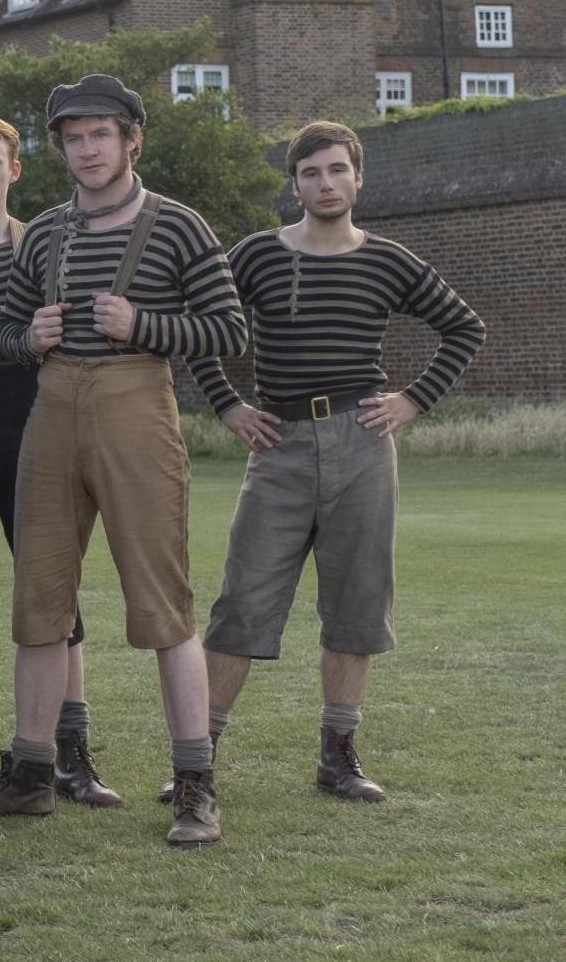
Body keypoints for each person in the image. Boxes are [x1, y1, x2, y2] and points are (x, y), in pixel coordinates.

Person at [0, 74, 247, 848]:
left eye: (100, 135)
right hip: (51, 407)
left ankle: (194, 783)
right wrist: (28, 337)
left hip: (138, 405)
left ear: (131, 139)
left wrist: (145, 323)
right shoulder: (43, 234)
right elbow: (9, 329)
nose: (87, 150)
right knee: (40, 605)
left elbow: (229, 330)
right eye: (73, 138)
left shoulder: (178, 226)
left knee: (164, 606)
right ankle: (32, 775)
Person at [187, 119, 483, 802]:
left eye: (337, 170)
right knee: (242, 605)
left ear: (358, 176)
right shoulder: (258, 254)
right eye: (311, 173)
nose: (326, 183)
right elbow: (202, 325)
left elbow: (463, 326)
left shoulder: (388, 260)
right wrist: (228, 406)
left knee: (356, 604)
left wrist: (413, 401)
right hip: (280, 445)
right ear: (295, 185)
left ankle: (338, 756)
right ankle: (196, 762)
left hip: (361, 443)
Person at [0, 116, 117, 808]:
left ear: (14, 171)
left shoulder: (43, 240)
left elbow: (56, 322)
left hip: (34, 419)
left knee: (53, 591)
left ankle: (70, 755)